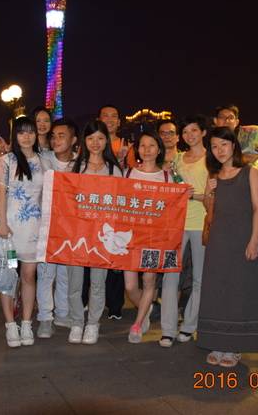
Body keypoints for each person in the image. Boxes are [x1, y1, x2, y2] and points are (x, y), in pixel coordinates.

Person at [198, 126, 258, 367]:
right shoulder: (214, 175)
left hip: (242, 238)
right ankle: (217, 342)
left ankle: (235, 346)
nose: (219, 150)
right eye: (214, 146)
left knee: (239, 290)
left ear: (233, 145)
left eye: (224, 145)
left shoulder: (250, 172)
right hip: (219, 239)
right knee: (217, 289)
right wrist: (209, 193)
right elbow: (210, 210)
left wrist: (254, 240)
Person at [0, 116, 48, 348]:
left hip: (34, 229)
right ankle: (10, 325)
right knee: (9, 276)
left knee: (29, 275)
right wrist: (3, 224)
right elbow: (1, 194)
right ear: (15, 135)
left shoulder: (43, 161)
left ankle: (26, 322)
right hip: (11, 229)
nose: (27, 136)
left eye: (31, 132)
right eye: (22, 132)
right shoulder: (7, 161)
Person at [68, 120, 123, 344]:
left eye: (100, 138)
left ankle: (93, 323)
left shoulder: (113, 170)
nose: (95, 143)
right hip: (78, 234)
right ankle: (76, 322)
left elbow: (121, 203)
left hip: (102, 236)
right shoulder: (76, 167)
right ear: (84, 141)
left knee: (98, 282)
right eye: (91, 138)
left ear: (106, 141)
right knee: (75, 282)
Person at [123, 131, 178, 343]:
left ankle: (137, 325)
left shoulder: (166, 177)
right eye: (142, 145)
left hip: (154, 239)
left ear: (159, 149)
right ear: (137, 149)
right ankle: (146, 311)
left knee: (148, 281)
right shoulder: (128, 173)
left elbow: (173, 208)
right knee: (130, 286)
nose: (146, 150)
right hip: (130, 238)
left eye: (152, 145)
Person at [159, 115, 208, 348]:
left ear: (203, 132)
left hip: (201, 223)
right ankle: (167, 329)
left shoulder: (212, 159)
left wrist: (194, 195)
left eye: (194, 130)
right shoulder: (176, 159)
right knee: (170, 275)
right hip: (176, 223)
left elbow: (215, 195)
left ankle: (189, 325)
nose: (190, 135)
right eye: (186, 131)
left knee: (199, 277)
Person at [36, 118, 78, 338]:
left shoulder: (81, 163)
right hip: (46, 226)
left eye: (62, 136)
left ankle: (63, 313)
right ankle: (45, 318)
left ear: (74, 139)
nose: (56, 140)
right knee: (45, 273)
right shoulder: (43, 159)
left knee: (65, 274)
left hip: (70, 228)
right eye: (53, 136)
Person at [98, 105, 131, 319]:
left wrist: (122, 161)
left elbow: (132, 175)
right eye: (105, 116)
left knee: (116, 255)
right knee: (95, 254)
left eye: (114, 116)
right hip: (97, 207)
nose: (109, 119)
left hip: (118, 207)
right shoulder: (93, 142)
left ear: (119, 121)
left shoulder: (127, 146)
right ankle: (91, 301)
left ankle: (115, 305)